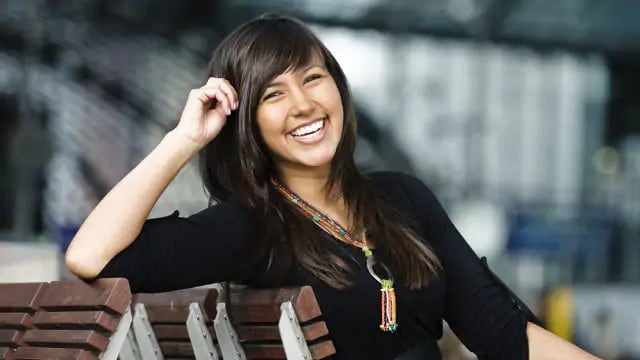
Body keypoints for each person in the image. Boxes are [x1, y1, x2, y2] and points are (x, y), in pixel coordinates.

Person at [65, 14, 599, 360]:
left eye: (313, 78)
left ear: (339, 90)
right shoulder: (253, 224)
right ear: (244, 121)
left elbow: (501, 333)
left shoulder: (403, 198)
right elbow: (92, 258)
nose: (303, 104)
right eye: (273, 94)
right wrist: (184, 139)